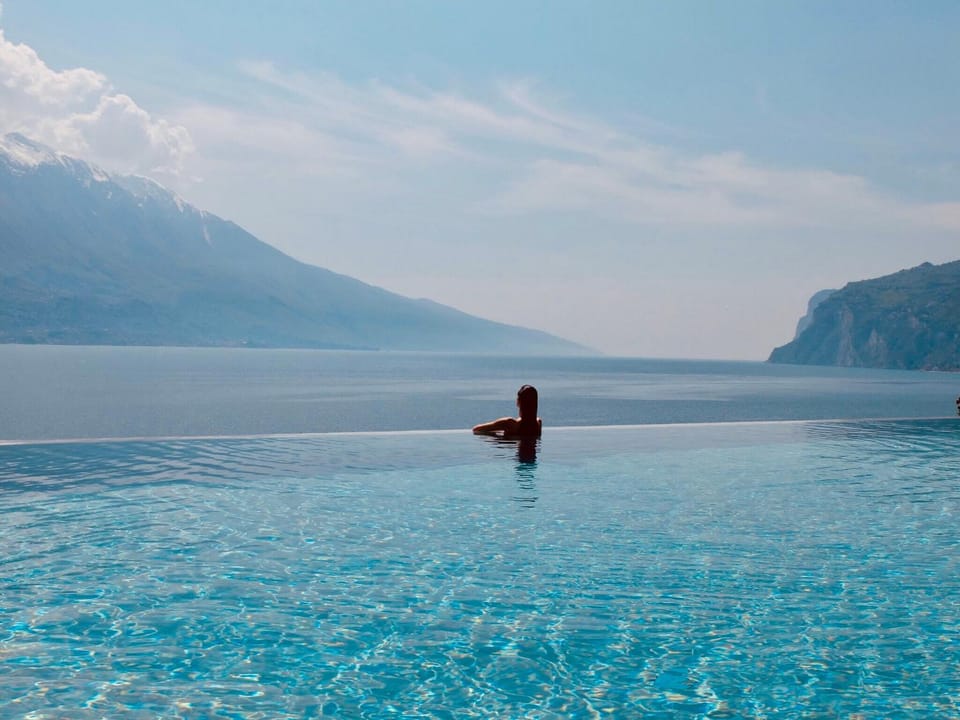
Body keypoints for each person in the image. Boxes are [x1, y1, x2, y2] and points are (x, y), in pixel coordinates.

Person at [473, 384, 542, 438]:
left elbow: (476, 429)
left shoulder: (510, 424)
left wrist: (497, 435)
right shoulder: (538, 423)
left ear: (518, 402)